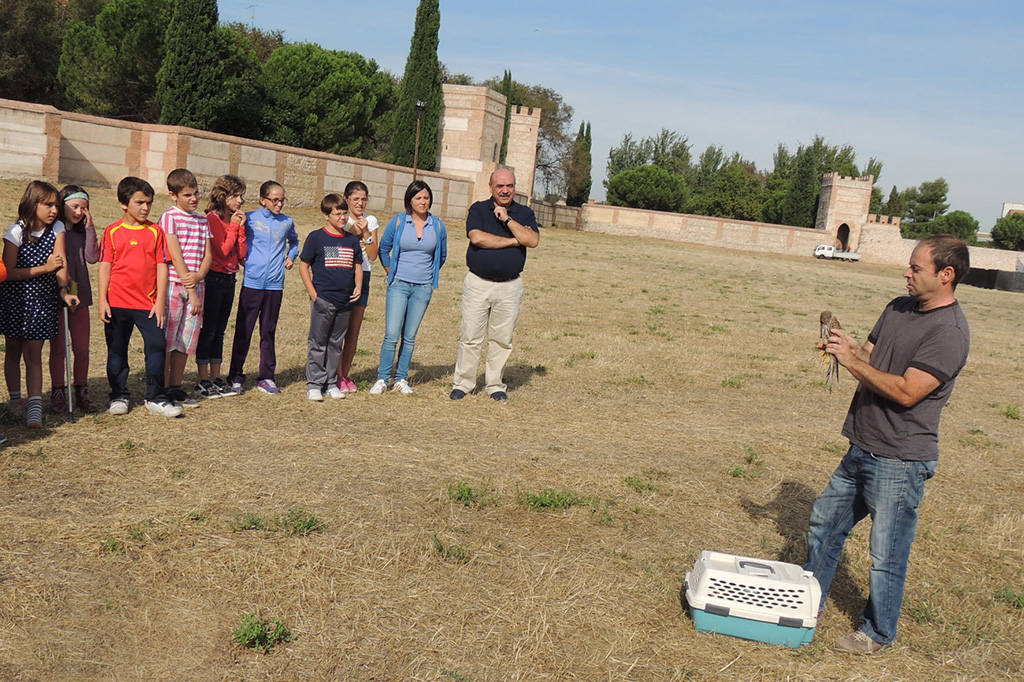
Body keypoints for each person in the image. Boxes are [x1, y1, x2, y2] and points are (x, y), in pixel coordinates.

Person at [807, 234, 971, 654]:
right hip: (862, 443)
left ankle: (877, 632)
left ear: (946, 275)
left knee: (886, 553)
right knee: (825, 524)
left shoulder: (949, 332)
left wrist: (854, 362)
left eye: (916, 268)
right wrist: (845, 346)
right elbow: (869, 357)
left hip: (899, 460)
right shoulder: (898, 307)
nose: (907, 272)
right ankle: (808, 602)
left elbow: (905, 392)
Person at [450, 168, 539, 401]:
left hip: (509, 287)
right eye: (499, 186)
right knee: (470, 336)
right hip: (479, 283)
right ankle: (464, 383)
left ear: (515, 187)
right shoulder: (479, 209)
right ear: (491, 187)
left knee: (502, 339)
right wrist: (514, 240)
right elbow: (477, 238)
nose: (505, 190)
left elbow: (532, 240)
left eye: (509, 185)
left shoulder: (524, 213)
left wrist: (508, 219)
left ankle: (495, 385)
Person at [97, 177, 181, 417]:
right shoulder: (112, 231)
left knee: (156, 346)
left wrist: (160, 301)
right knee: (116, 350)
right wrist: (103, 300)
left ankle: (155, 397)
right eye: (140, 202)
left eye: (149, 203)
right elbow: (105, 265)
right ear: (124, 203)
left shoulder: (156, 232)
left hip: (148, 305)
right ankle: (118, 395)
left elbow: (162, 267)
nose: (145, 208)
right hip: (117, 304)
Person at [1, 181, 78, 427]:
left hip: (42, 300)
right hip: (15, 299)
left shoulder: (56, 228)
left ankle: (34, 405)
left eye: (56, 205)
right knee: (13, 349)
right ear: (32, 204)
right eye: (48, 205)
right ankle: (15, 400)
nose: (54, 210)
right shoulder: (15, 232)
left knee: (33, 352)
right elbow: (8, 273)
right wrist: (44, 268)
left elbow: (61, 261)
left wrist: (64, 291)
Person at [369, 180, 447, 395]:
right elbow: (384, 248)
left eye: (426, 197)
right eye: (418, 198)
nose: (423, 202)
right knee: (392, 334)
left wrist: (429, 277)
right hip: (399, 285)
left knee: (410, 336)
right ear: (410, 200)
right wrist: (390, 272)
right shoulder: (398, 222)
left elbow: (442, 256)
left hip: (423, 288)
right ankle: (382, 378)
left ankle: (401, 378)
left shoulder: (438, 225)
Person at [227, 180, 298, 395]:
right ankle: (235, 376)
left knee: (268, 331)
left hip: (275, 285)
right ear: (263, 200)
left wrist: (291, 256)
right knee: (243, 331)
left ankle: (266, 376)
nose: (279, 204)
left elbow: (294, 242)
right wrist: (241, 258)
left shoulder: (287, 222)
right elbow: (236, 239)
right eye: (275, 200)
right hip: (252, 283)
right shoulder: (249, 218)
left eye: (282, 200)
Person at [299, 193, 363, 401]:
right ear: (326, 215)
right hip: (323, 299)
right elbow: (304, 266)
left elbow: (358, 265)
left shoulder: (351, 240)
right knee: (318, 342)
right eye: (338, 214)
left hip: (345, 301)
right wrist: (313, 294)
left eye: (345, 213)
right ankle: (315, 383)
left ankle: (331, 382)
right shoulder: (316, 238)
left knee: (336, 343)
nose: (343, 218)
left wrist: (358, 286)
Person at [159, 169, 212, 408]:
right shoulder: (169, 217)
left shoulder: (202, 220)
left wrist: (200, 275)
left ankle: (176, 387)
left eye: (196, 193)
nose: (194, 199)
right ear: (173, 195)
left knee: (186, 339)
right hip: (173, 284)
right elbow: (174, 254)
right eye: (188, 194)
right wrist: (190, 287)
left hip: (197, 287)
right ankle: (162, 388)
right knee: (168, 339)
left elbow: (208, 254)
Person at [195, 174, 247, 398]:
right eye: (235, 196)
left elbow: (242, 255)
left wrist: (241, 229)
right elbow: (223, 250)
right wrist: (234, 228)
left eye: (241, 196)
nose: (240, 201)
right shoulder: (212, 219)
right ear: (222, 196)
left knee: (221, 331)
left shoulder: (235, 219)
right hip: (214, 279)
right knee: (209, 330)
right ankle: (202, 379)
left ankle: (216, 378)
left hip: (230, 278)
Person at [49, 185, 99, 413]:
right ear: (63, 205)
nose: (79, 212)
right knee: (58, 348)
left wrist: (90, 228)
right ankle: (58, 391)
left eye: (84, 208)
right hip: (56, 295)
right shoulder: (53, 231)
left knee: (82, 348)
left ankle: (81, 389)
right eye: (75, 206)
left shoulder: (81, 233)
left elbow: (92, 257)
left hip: (81, 297)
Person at [335, 181, 379, 393]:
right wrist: (353, 230)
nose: (360, 203)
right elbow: (337, 245)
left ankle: (344, 374)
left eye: (364, 199)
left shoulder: (370, 220)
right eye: (356, 199)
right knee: (337, 329)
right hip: (343, 274)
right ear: (346, 199)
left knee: (353, 330)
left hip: (365, 276)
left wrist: (367, 233)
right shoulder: (340, 219)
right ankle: (332, 373)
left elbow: (372, 255)